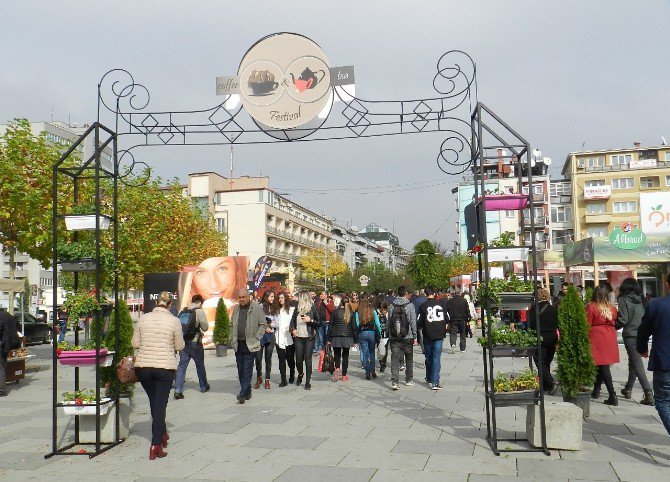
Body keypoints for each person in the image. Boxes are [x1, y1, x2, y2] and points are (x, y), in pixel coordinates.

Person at [131, 291, 185, 460]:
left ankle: (162, 433)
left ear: (156, 304)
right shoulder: (174, 321)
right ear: (170, 305)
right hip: (164, 368)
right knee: (160, 405)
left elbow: (135, 343)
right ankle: (156, 444)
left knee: (155, 402)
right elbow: (180, 345)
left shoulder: (143, 318)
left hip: (144, 367)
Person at [637, 274, 670, 435]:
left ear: (667, 284)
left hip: (664, 362)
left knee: (663, 400)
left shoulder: (656, 305)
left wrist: (642, 347)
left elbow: (643, 330)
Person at [617, 278, 653, 405]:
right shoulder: (641, 299)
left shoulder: (623, 299)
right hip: (642, 334)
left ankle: (648, 393)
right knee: (633, 362)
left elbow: (623, 319)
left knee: (637, 364)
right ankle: (628, 389)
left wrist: (614, 326)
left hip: (631, 335)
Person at [230, 289, 267, 404]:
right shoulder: (235, 309)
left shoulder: (256, 308)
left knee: (247, 369)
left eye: (243, 297)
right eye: (240, 297)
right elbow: (232, 324)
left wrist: (257, 337)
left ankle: (242, 393)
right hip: (238, 343)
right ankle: (247, 391)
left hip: (250, 343)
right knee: (240, 370)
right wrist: (231, 338)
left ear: (249, 297)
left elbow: (263, 324)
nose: (241, 299)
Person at [587, 285, 620, 405]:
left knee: (603, 366)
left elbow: (588, 324)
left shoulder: (591, 306)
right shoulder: (611, 308)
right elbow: (616, 319)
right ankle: (596, 390)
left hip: (597, 337)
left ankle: (612, 394)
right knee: (602, 365)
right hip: (610, 336)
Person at [174, 295, 210, 400]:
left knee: (182, 365)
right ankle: (203, 386)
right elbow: (205, 327)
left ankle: (178, 389)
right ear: (200, 302)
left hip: (183, 342)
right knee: (199, 365)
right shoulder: (199, 311)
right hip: (195, 343)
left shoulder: (183, 310)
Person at [527, 288, 559, 395]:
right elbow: (558, 324)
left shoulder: (533, 309)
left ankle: (551, 383)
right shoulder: (554, 309)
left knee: (539, 362)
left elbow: (530, 325)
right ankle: (545, 386)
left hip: (539, 337)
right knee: (547, 362)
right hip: (552, 338)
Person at [417, 288, 448, 390]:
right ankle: (435, 382)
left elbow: (419, 322)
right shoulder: (442, 305)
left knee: (428, 357)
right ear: (434, 294)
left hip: (428, 334)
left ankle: (429, 377)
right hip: (439, 334)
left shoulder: (423, 306)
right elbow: (447, 318)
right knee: (436, 358)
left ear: (425, 294)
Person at [289, 291, 321, 390]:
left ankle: (307, 382)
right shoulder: (297, 309)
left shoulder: (313, 308)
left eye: (299, 298)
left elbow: (319, 323)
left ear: (304, 298)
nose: (297, 299)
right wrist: (293, 329)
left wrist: (310, 320)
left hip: (309, 337)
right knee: (298, 359)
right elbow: (292, 322)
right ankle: (300, 374)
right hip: (298, 337)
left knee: (308, 359)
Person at [388, 285, 417, 390]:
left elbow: (389, 321)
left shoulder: (391, 305)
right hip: (407, 336)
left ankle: (395, 382)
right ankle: (409, 380)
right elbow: (413, 321)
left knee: (394, 358)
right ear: (406, 293)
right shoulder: (410, 305)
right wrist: (415, 335)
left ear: (397, 293)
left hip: (394, 336)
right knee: (409, 358)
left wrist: (389, 334)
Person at [327, 295, 356, 381]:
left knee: (337, 354)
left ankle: (337, 369)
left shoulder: (335, 312)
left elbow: (330, 325)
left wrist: (328, 338)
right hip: (348, 336)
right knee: (345, 355)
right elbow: (354, 327)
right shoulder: (351, 313)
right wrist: (356, 339)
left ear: (341, 302)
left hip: (336, 335)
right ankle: (344, 375)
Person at [255, 290, 277, 390]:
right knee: (258, 358)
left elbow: (277, 322)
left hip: (270, 335)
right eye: (271, 296)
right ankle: (259, 377)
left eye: (273, 296)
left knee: (268, 358)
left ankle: (267, 379)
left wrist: (271, 325)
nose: (273, 298)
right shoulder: (259, 307)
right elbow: (256, 321)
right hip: (260, 335)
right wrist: (265, 326)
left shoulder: (274, 308)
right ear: (266, 297)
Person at [357, 297, 381, 380]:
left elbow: (357, 324)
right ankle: (373, 370)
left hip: (362, 332)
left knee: (364, 353)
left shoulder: (358, 312)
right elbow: (377, 323)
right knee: (371, 352)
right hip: (371, 332)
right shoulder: (373, 311)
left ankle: (367, 372)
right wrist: (380, 332)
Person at [275, 291, 295, 387]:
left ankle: (292, 373)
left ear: (286, 298)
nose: (280, 300)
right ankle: (283, 379)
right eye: (279, 298)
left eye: (282, 298)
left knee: (290, 358)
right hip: (279, 336)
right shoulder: (276, 310)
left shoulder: (291, 309)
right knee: (281, 359)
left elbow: (293, 322)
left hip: (289, 336)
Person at [446, 288, 471, 353]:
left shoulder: (450, 301)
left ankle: (453, 344)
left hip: (453, 319)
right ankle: (462, 348)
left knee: (453, 333)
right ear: (460, 293)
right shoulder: (464, 300)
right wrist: (469, 318)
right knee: (463, 333)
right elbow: (467, 310)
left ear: (454, 293)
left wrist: (448, 318)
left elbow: (447, 310)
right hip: (462, 319)